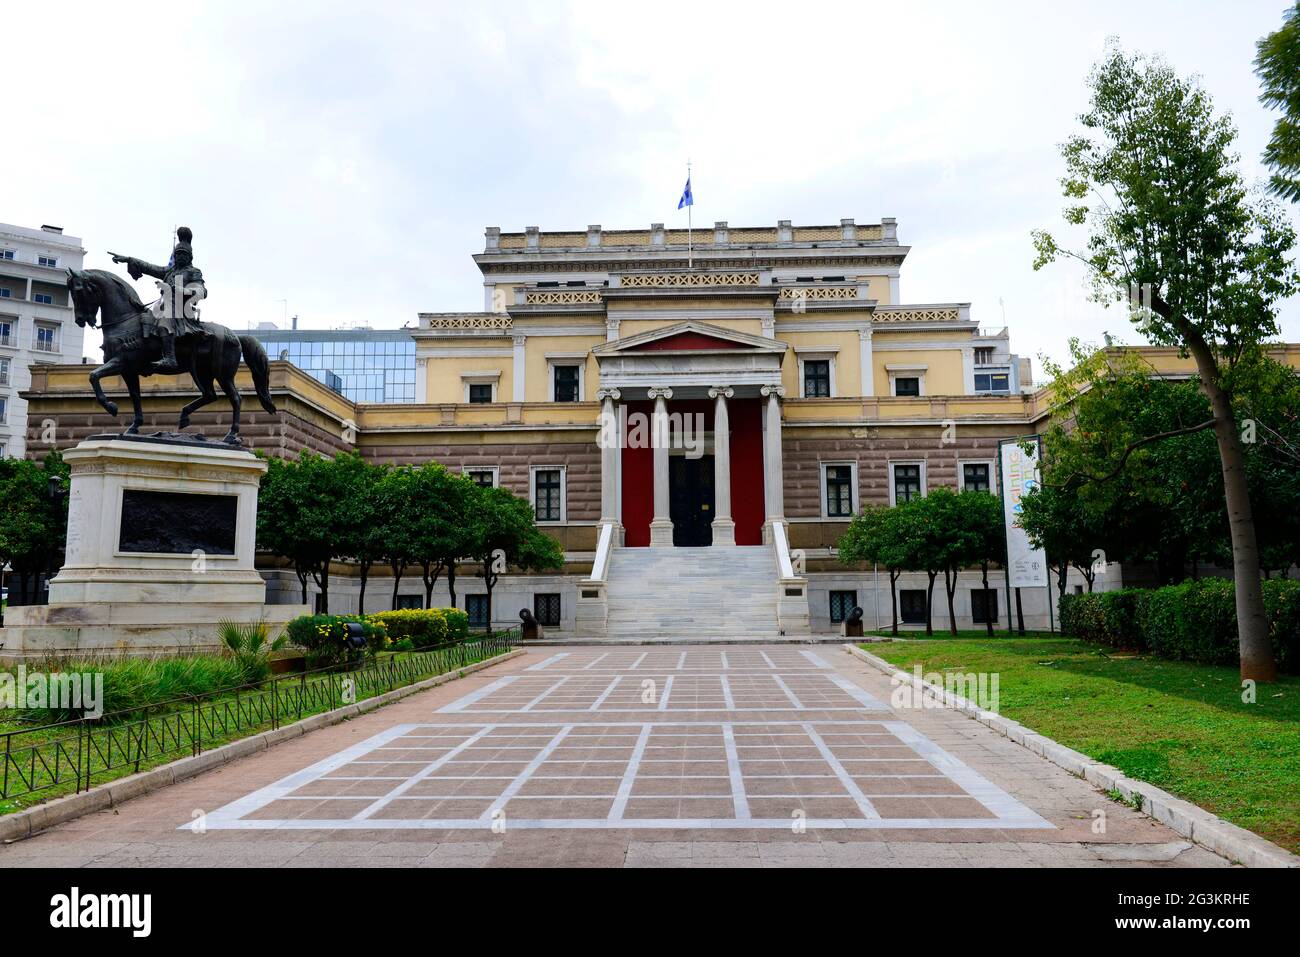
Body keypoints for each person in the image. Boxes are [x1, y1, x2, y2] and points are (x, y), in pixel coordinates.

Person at [110, 226, 206, 373]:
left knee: (164, 321)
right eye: (178, 254)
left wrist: (180, 290)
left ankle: (170, 358)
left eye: (183, 254)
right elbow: (148, 267)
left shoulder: (193, 272)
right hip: (164, 305)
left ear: (189, 257)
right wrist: (128, 259)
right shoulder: (170, 271)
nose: (180, 256)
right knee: (142, 317)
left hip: (182, 309)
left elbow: (201, 291)